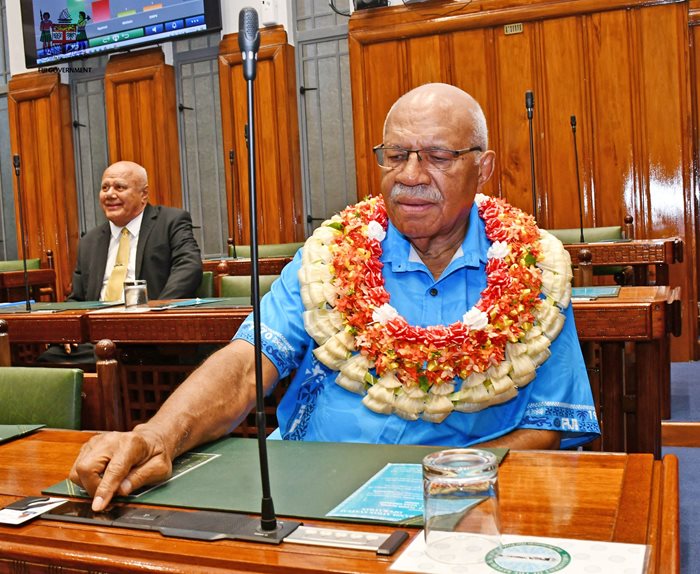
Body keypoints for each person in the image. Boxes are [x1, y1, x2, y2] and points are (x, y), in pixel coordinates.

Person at [70, 84, 600, 512]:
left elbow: (547, 428)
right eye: (396, 155)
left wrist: (435, 482)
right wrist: (157, 437)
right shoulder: (331, 254)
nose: (410, 176)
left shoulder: (533, 268)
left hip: (460, 501)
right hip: (309, 487)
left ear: (483, 169)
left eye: (438, 156)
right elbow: (247, 364)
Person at [38, 160, 202, 363]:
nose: (110, 194)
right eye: (105, 187)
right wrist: (66, 328)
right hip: (97, 338)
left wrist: (156, 312)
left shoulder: (170, 222)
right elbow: (78, 299)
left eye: (119, 187)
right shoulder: (90, 241)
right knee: (47, 360)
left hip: (148, 336)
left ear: (144, 194)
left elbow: (189, 267)